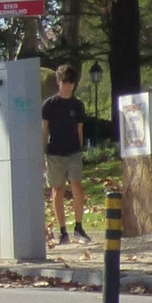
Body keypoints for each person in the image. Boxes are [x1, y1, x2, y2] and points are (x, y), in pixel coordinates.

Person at [41, 64, 89, 244]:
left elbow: (80, 130)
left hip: (74, 152)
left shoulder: (78, 105)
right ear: (59, 82)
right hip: (54, 153)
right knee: (57, 190)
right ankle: (63, 231)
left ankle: (79, 227)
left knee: (77, 185)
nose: (68, 85)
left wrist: (80, 148)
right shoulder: (49, 105)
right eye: (65, 82)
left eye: (71, 82)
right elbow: (44, 130)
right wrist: (43, 153)